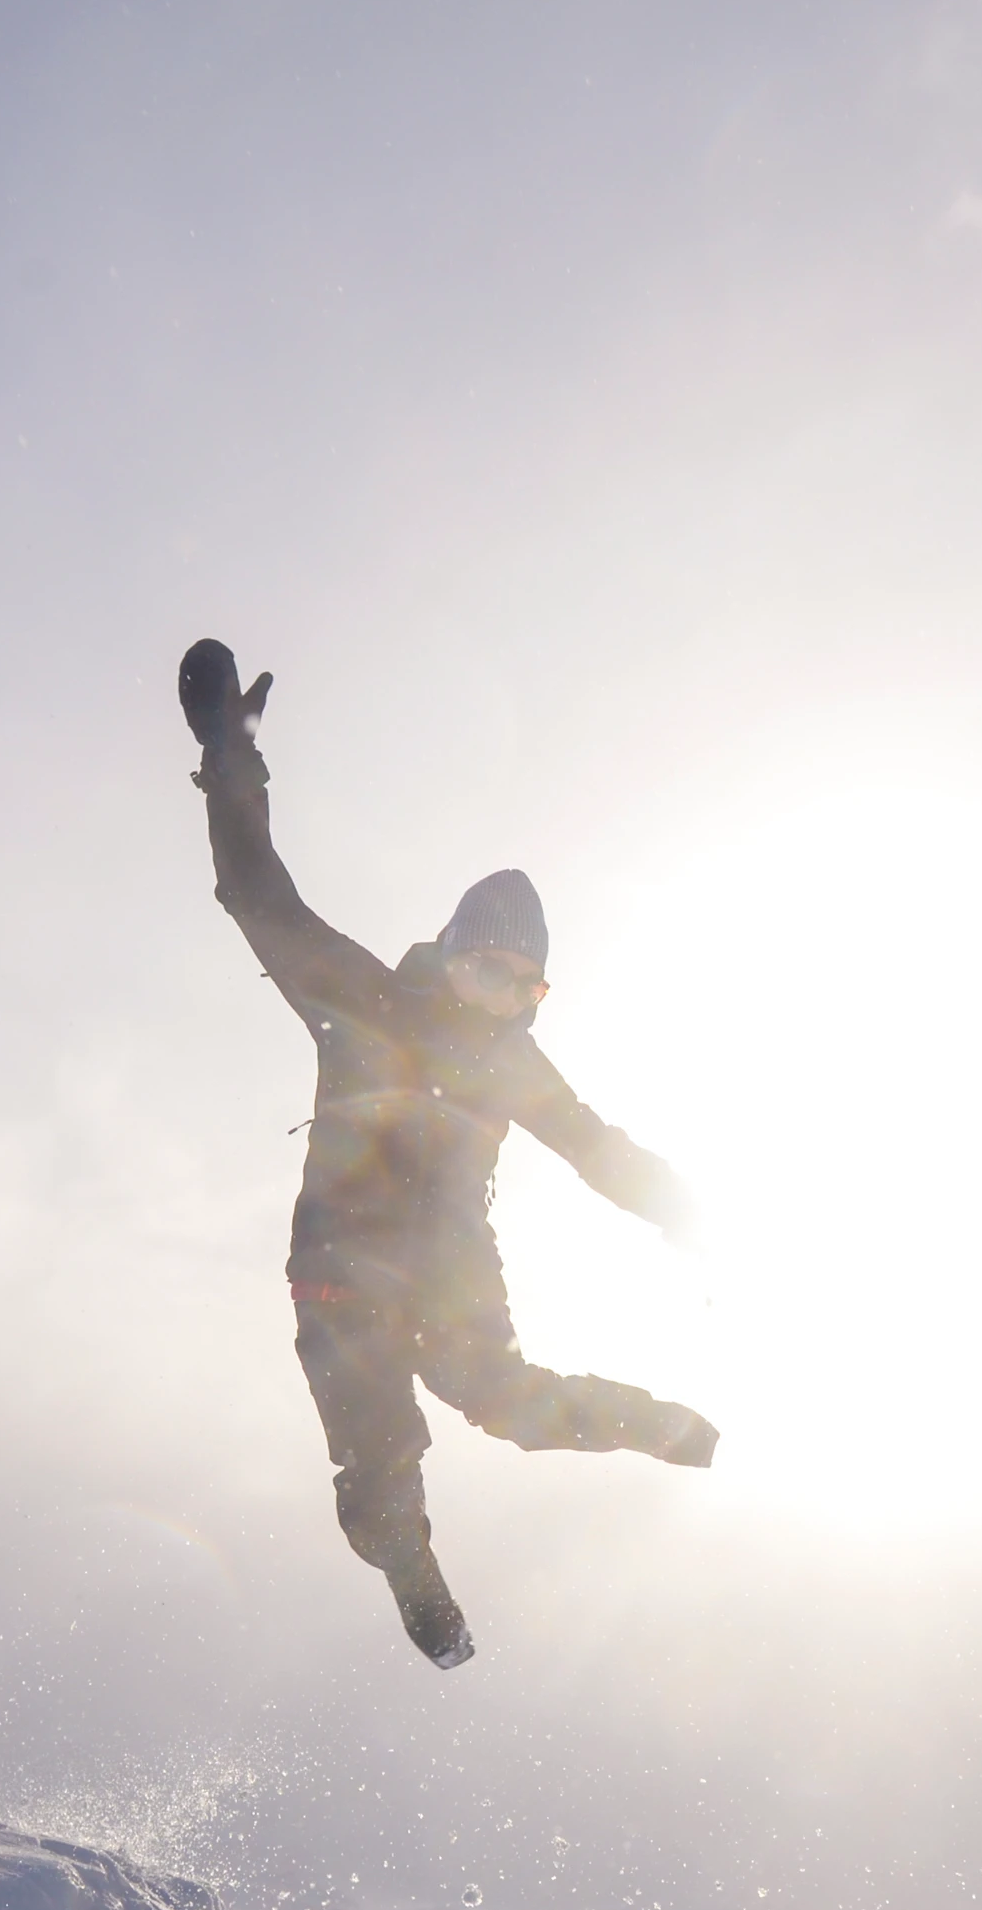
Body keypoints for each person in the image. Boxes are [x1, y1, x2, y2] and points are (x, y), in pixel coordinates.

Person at [176, 639, 717, 1666]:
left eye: (527, 987)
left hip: (457, 1271)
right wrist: (228, 761)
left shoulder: (517, 1068)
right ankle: (410, 1566)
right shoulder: (367, 1003)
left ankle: (668, 1429)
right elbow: (261, 899)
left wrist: (692, 1213)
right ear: (452, 955)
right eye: (488, 972)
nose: (504, 1001)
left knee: (509, 1406)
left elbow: (597, 1149)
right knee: (378, 1474)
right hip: (344, 1266)